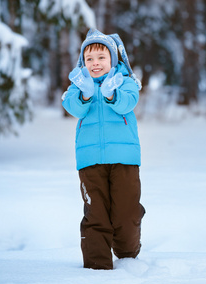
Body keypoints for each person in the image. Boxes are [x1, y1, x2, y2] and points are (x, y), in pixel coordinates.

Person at [62, 28, 145, 270]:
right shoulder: (79, 84)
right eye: (89, 59)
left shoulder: (125, 82)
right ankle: (97, 266)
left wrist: (111, 94)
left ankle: (128, 253)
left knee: (126, 212)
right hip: (90, 160)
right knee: (96, 213)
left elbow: (128, 103)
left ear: (112, 59)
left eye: (101, 58)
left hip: (125, 159)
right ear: (82, 61)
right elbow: (73, 107)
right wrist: (86, 95)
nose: (95, 64)